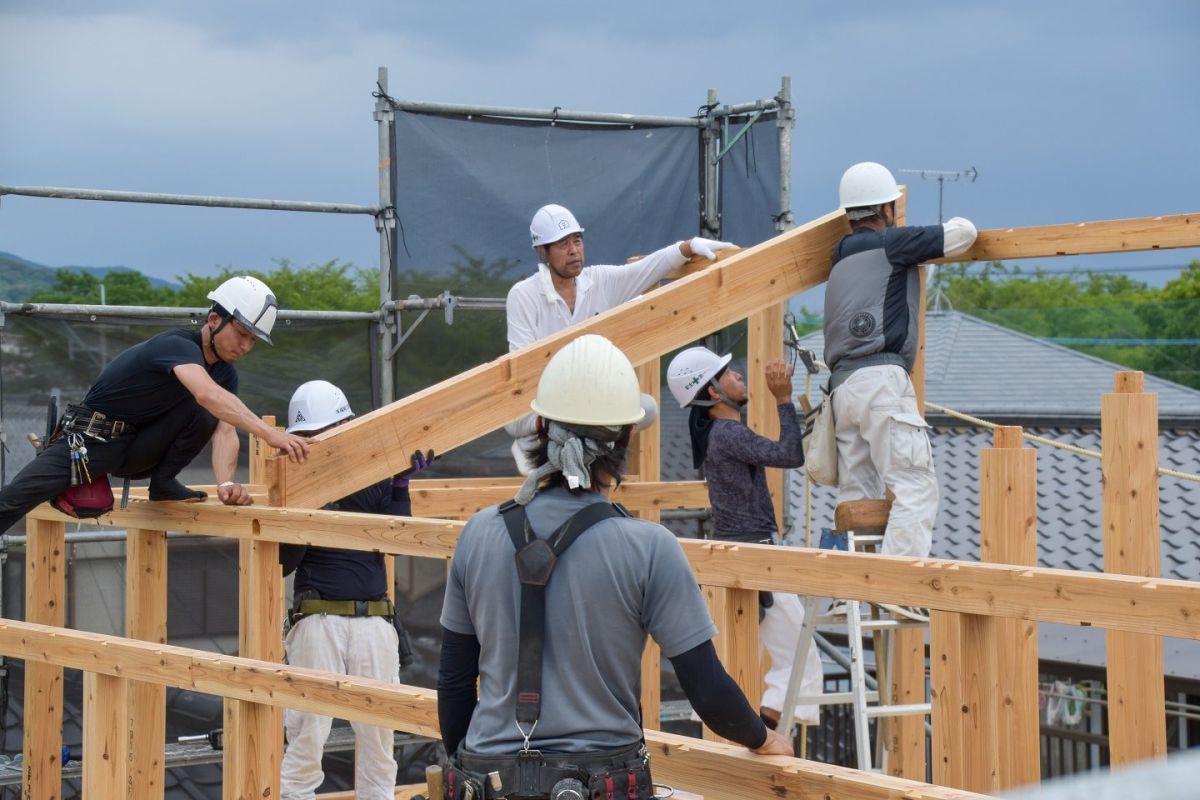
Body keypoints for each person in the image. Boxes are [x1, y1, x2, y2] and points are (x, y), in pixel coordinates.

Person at [438, 335, 791, 800]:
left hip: (489, 775)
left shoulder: (479, 533)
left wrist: (474, 771)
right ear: (626, 437)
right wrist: (764, 739)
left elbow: (454, 678)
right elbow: (706, 687)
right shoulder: (648, 547)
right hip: (602, 779)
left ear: (540, 427)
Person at [0, 275, 311, 534]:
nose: (246, 346)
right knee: (14, 500)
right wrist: (271, 435)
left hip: (138, 448)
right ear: (215, 319)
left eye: (253, 340)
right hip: (90, 442)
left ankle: (163, 483)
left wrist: (226, 482)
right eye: (242, 333)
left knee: (212, 408)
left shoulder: (225, 375)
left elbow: (225, 430)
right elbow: (206, 395)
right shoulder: (175, 345)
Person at [503, 203, 736, 473]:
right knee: (513, 420)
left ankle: (582, 450)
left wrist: (687, 247)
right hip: (547, 404)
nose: (574, 250)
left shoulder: (598, 280)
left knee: (645, 407)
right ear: (542, 252)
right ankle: (565, 445)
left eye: (577, 240)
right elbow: (521, 372)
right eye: (562, 244)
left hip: (588, 403)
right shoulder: (523, 295)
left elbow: (645, 270)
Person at [279, 379, 425, 800]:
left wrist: (400, 486)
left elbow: (398, 539)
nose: (319, 442)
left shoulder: (374, 475)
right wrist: (309, 503)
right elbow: (282, 561)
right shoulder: (293, 482)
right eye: (310, 437)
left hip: (373, 619)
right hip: (318, 619)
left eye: (325, 433)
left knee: (379, 735)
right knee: (308, 733)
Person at [823, 162, 977, 561]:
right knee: (915, 486)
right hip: (881, 382)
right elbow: (964, 234)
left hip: (842, 389)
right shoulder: (893, 243)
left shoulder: (840, 251)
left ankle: (852, 591)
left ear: (848, 215)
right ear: (888, 209)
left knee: (856, 497)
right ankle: (894, 591)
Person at [666, 346, 824, 731]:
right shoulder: (728, 433)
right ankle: (761, 740)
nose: (739, 375)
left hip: (741, 554)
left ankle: (726, 741)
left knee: (734, 660)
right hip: (755, 555)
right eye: (728, 373)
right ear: (713, 394)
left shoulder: (720, 435)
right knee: (801, 661)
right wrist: (784, 399)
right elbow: (789, 454)